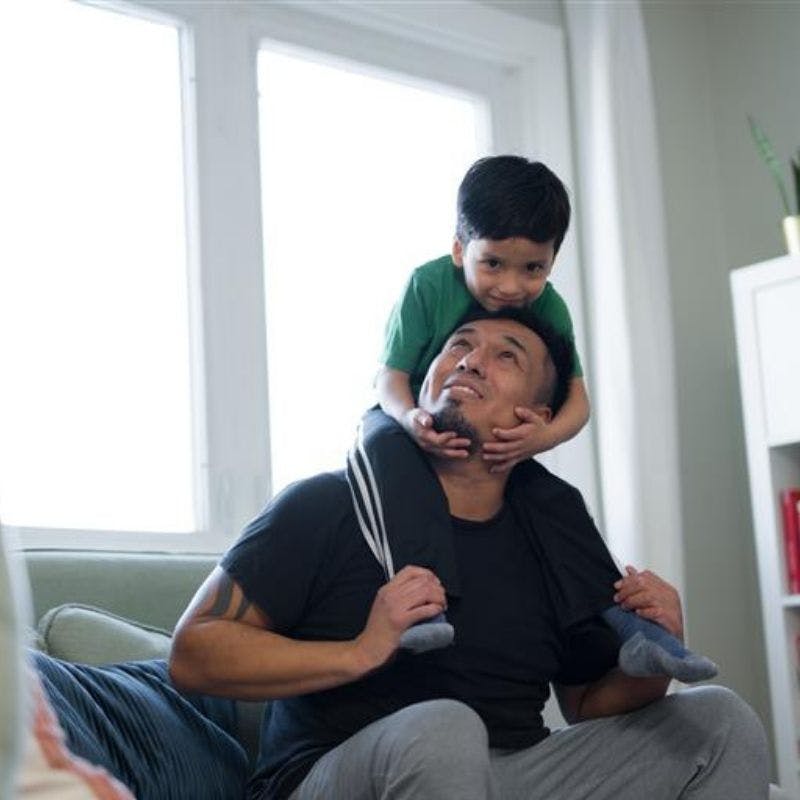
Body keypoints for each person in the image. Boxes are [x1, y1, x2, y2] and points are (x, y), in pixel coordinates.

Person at [169, 308, 768, 800]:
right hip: (334, 775)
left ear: (537, 418)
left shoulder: (550, 535)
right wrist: (360, 651)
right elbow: (193, 653)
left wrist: (657, 659)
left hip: (507, 773)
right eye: (458, 345)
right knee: (444, 727)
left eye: (507, 356)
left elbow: (588, 703)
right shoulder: (327, 504)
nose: (470, 360)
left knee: (718, 721)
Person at [360, 155, 714, 681]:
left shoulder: (550, 308)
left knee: (555, 499)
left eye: (533, 269)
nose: (510, 287)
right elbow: (390, 378)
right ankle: (426, 603)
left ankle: (624, 619)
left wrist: (540, 438)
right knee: (388, 458)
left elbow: (578, 403)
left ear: (551, 262)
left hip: (487, 441)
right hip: (403, 418)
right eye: (493, 264)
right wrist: (410, 419)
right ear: (459, 249)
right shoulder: (427, 285)